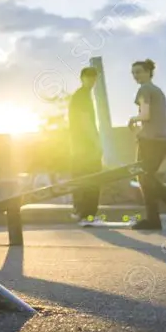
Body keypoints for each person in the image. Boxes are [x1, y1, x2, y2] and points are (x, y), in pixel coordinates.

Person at [127, 59, 166, 230]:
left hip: (150, 141)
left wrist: (134, 119)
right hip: (162, 140)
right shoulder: (158, 91)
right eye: (133, 73)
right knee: (147, 178)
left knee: (144, 177)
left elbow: (145, 115)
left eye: (138, 72)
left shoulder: (144, 89)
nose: (135, 76)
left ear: (148, 72)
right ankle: (155, 219)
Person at [68, 67, 102, 225]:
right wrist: (96, 142)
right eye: (89, 78)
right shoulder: (82, 95)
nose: (92, 81)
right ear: (82, 78)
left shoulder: (81, 95)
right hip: (86, 146)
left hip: (78, 146)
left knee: (82, 179)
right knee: (93, 180)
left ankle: (80, 213)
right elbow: (85, 120)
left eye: (94, 78)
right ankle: (88, 216)